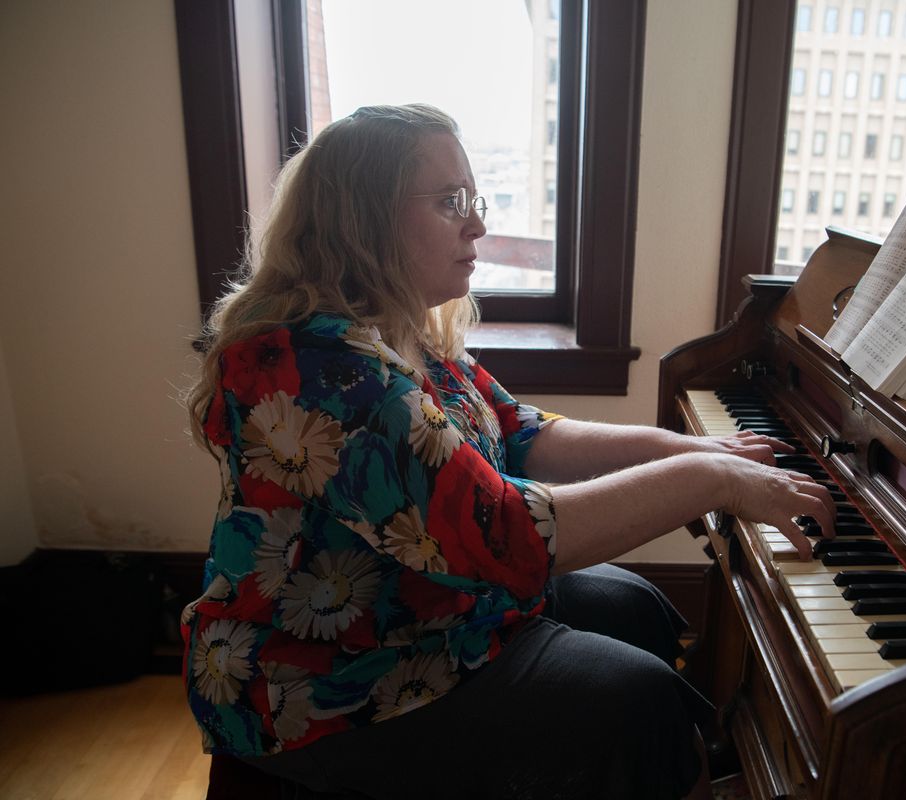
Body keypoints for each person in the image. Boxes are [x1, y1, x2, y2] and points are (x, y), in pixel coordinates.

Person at [183, 103, 836, 800]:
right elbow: (505, 534)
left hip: (412, 613)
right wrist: (708, 477)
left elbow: (527, 433)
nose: (478, 224)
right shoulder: (318, 367)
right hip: (322, 678)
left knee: (632, 606)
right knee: (636, 696)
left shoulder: (404, 332)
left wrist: (685, 444)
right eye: (449, 202)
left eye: (474, 198)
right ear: (362, 218)